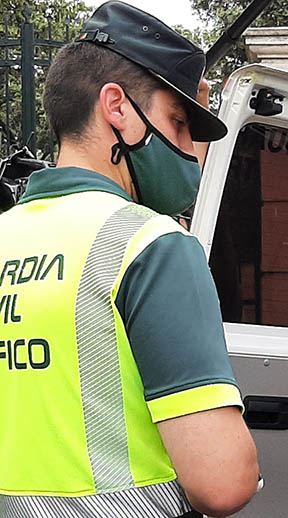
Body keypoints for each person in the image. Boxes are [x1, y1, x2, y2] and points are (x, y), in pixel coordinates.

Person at [0, 2, 259, 517]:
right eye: (180, 124)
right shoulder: (150, 248)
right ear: (116, 108)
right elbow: (223, 483)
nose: (188, 152)